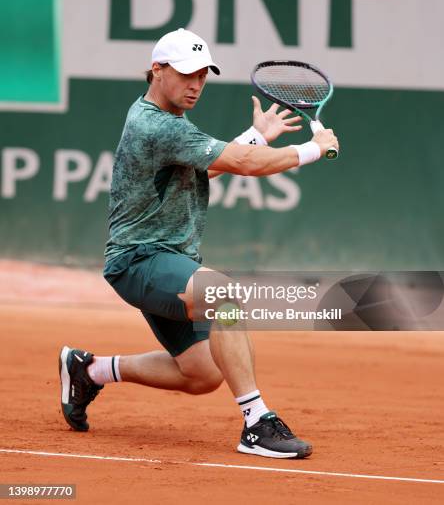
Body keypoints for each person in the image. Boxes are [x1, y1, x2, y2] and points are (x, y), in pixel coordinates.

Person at [59, 28, 338, 459]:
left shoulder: (171, 122)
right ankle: (257, 423)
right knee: (221, 292)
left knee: (202, 374)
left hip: (169, 259)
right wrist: (311, 150)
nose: (196, 85)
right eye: (186, 74)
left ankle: (90, 370)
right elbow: (241, 164)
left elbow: (205, 167)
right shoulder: (154, 124)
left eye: (203, 75)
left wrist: (258, 136)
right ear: (157, 69)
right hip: (139, 261)